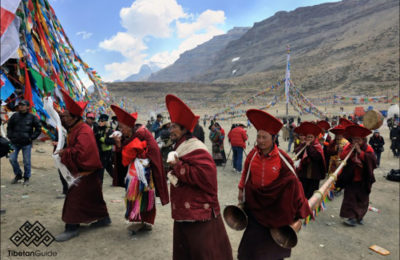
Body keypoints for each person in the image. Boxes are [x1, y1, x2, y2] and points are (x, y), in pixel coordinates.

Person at [237, 109, 311, 260]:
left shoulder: (283, 158)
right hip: (256, 208)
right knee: (250, 245)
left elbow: (293, 182)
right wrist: (241, 189)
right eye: (258, 137)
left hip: (276, 209)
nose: (261, 141)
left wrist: (299, 206)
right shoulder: (252, 156)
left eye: (264, 137)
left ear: (273, 138)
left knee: (272, 248)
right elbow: (246, 173)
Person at [165, 94, 232, 260]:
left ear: (184, 130)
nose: (170, 130)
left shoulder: (196, 148)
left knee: (203, 252)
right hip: (186, 212)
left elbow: (207, 178)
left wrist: (178, 167)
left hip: (198, 213)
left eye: (174, 127)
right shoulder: (180, 146)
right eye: (170, 126)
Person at [54, 89, 110, 242]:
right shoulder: (75, 128)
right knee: (93, 198)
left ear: (73, 117)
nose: (63, 118)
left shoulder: (84, 130)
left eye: (65, 116)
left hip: (87, 171)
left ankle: (71, 227)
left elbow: (83, 152)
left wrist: (65, 152)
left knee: (74, 199)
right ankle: (103, 219)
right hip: (89, 172)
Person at [111, 105, 169, 233]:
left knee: (142, 196)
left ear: (129, 126)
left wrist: (122, 146)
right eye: (119, 127)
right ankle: (139, 221)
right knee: (135, 195)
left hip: (144, 174)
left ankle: (143, 221)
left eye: (122, 127)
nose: (121, 130)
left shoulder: (142, 134)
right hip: (134, 172)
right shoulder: (132, 134)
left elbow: (150, 151)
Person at [336, 124, 376, 226]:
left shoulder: (368, 149)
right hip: (352, 178)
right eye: (354, 140)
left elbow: (373, 161)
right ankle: (351, 218)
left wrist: (360, 152)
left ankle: (360, 217)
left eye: (358, 140)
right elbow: (343, 156)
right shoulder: (349, 147)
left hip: (363, 179)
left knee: (362, 199)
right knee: (350, 198)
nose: (356, 142)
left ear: (363, 140)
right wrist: (351, 150)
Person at [7, 100, 41, 185]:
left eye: (23, 105)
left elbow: (38, 129)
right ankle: (18, 175)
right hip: (14, 143)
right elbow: (9, 127)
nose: (21, 106)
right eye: (20, 105)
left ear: (28, 107)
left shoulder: (32, 117)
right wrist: (10, 136)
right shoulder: (14, 116)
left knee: (26, 161)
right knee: (11, 159)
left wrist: (31, 138)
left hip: (26, 144)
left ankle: (26, 178)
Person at [295, 122, 326, 199]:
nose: (309, 139)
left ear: (315, 138)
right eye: (307, 137)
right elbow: (298, 154)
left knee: (312, 195)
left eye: (311, 137)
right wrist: (303, 145)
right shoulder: (303, 145)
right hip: (304, 174)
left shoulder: (317, 146)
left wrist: (309, 147)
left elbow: (316, 157)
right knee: (303, 194)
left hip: (314, 175)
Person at [95, 114, 115, 183]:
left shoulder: (109, 130)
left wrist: (101, 138)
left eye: (102, 121)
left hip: (107, 152)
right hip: (99, 152)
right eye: (99, 120)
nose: (100, 122)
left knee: (102, 168)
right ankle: (116, 179)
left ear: (106, 121)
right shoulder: (97, 128)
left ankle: (100, 184)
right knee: (109, 167)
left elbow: (112, 142)